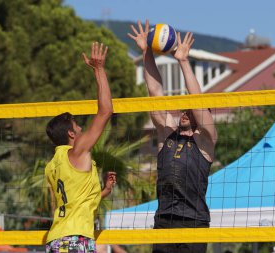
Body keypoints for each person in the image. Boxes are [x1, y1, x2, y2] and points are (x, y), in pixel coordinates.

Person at [128, 20, 217, 253]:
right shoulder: (167, 133)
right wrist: (147, 53)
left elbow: (198, 103)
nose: (185, 111)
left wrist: (183, 61)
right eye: (183, 109)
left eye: (190, 110)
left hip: (194, 223)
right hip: (164, 222)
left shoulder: (206, 140)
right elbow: (155, 93)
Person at [44, 42, 116, 253]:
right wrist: (99, 69)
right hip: (74, 240)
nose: (82, 128)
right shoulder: (77, 151)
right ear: (71, 134)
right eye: (78, 125)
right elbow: (105, 111)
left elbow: (75, 201)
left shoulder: (52, 166)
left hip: (56, 241)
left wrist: (104, 191)